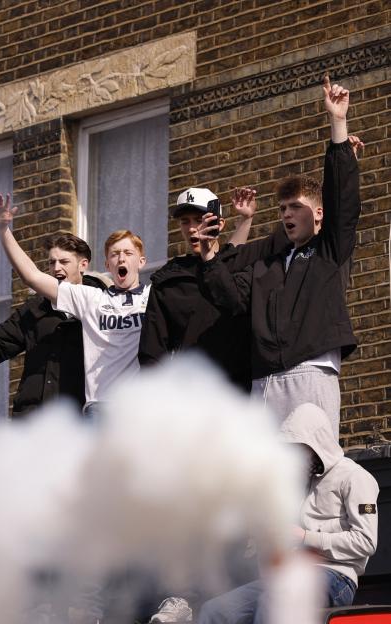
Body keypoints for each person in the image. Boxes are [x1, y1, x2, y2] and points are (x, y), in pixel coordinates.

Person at [197, 75, 361, 435]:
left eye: (296, 206)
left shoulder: (328, 250)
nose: (287, 214)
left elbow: (343, 200)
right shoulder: (267, 262)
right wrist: (209, 253)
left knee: (314, 461)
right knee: (266, 468)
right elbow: (230, 295)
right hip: (265, 379)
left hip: (311, 370)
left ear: (318, 213)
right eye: (283, 208)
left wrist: (338, 123)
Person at [198, 402, 379, 622]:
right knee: (214, 610)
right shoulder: (299, 482)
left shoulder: (354, 477)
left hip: (336, 577)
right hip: (288, 577)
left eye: (297, 448)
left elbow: (366, 542)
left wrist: (305, 537)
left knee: (274, 603)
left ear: (316, 443)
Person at [0, 194, 149, 418]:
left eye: (128, 253)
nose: (121, 259)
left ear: (141, 262)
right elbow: (32, 276)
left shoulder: (155, 297)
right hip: (98, 409)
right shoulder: (91, 298)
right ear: (107, 264)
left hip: (138, 407)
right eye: (115, 254)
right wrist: (3, 230)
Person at [0, 234, 106, 416]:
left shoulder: (104, 307)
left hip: (80, 419)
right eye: (52, 262)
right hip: (33, 421)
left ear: (83, 265)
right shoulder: (35, 309)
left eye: (64, 262)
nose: (56, 268)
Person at [139, 186, 278, 392]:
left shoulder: (240, 263)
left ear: (219, 224)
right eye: (185, 221)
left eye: (198, 219)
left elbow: (232, 255)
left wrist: (246, 219)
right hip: (190, 392)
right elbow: (153, 349)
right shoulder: (167, 279)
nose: (191, 228)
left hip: (241, 391)